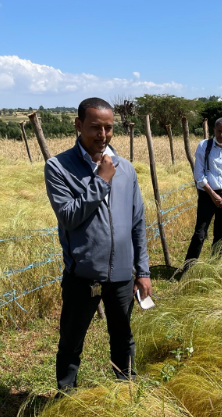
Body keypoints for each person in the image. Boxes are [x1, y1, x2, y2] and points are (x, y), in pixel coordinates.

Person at [44, 97, 152, 391]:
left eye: (108, 128)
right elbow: (68, 216)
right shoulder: (58, 167)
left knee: (122, 337)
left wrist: (142, 271)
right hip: (82, 276)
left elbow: (137, 222)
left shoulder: (126, 169)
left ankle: (127, 392)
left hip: (120, 275)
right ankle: (66, 397)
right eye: (95, 127)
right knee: (71, 341)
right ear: (78, 125)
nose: (102, 135)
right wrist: (101, 181)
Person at [182, 117, 222, 269]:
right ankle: (188, 268)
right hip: (207, 195)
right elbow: (199, 175)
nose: (221, 135)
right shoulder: (204, 146)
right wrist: (213, 195)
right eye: (219, 131)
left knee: (220, 235)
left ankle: (214, 267)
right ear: (214, 130)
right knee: (200, 233)